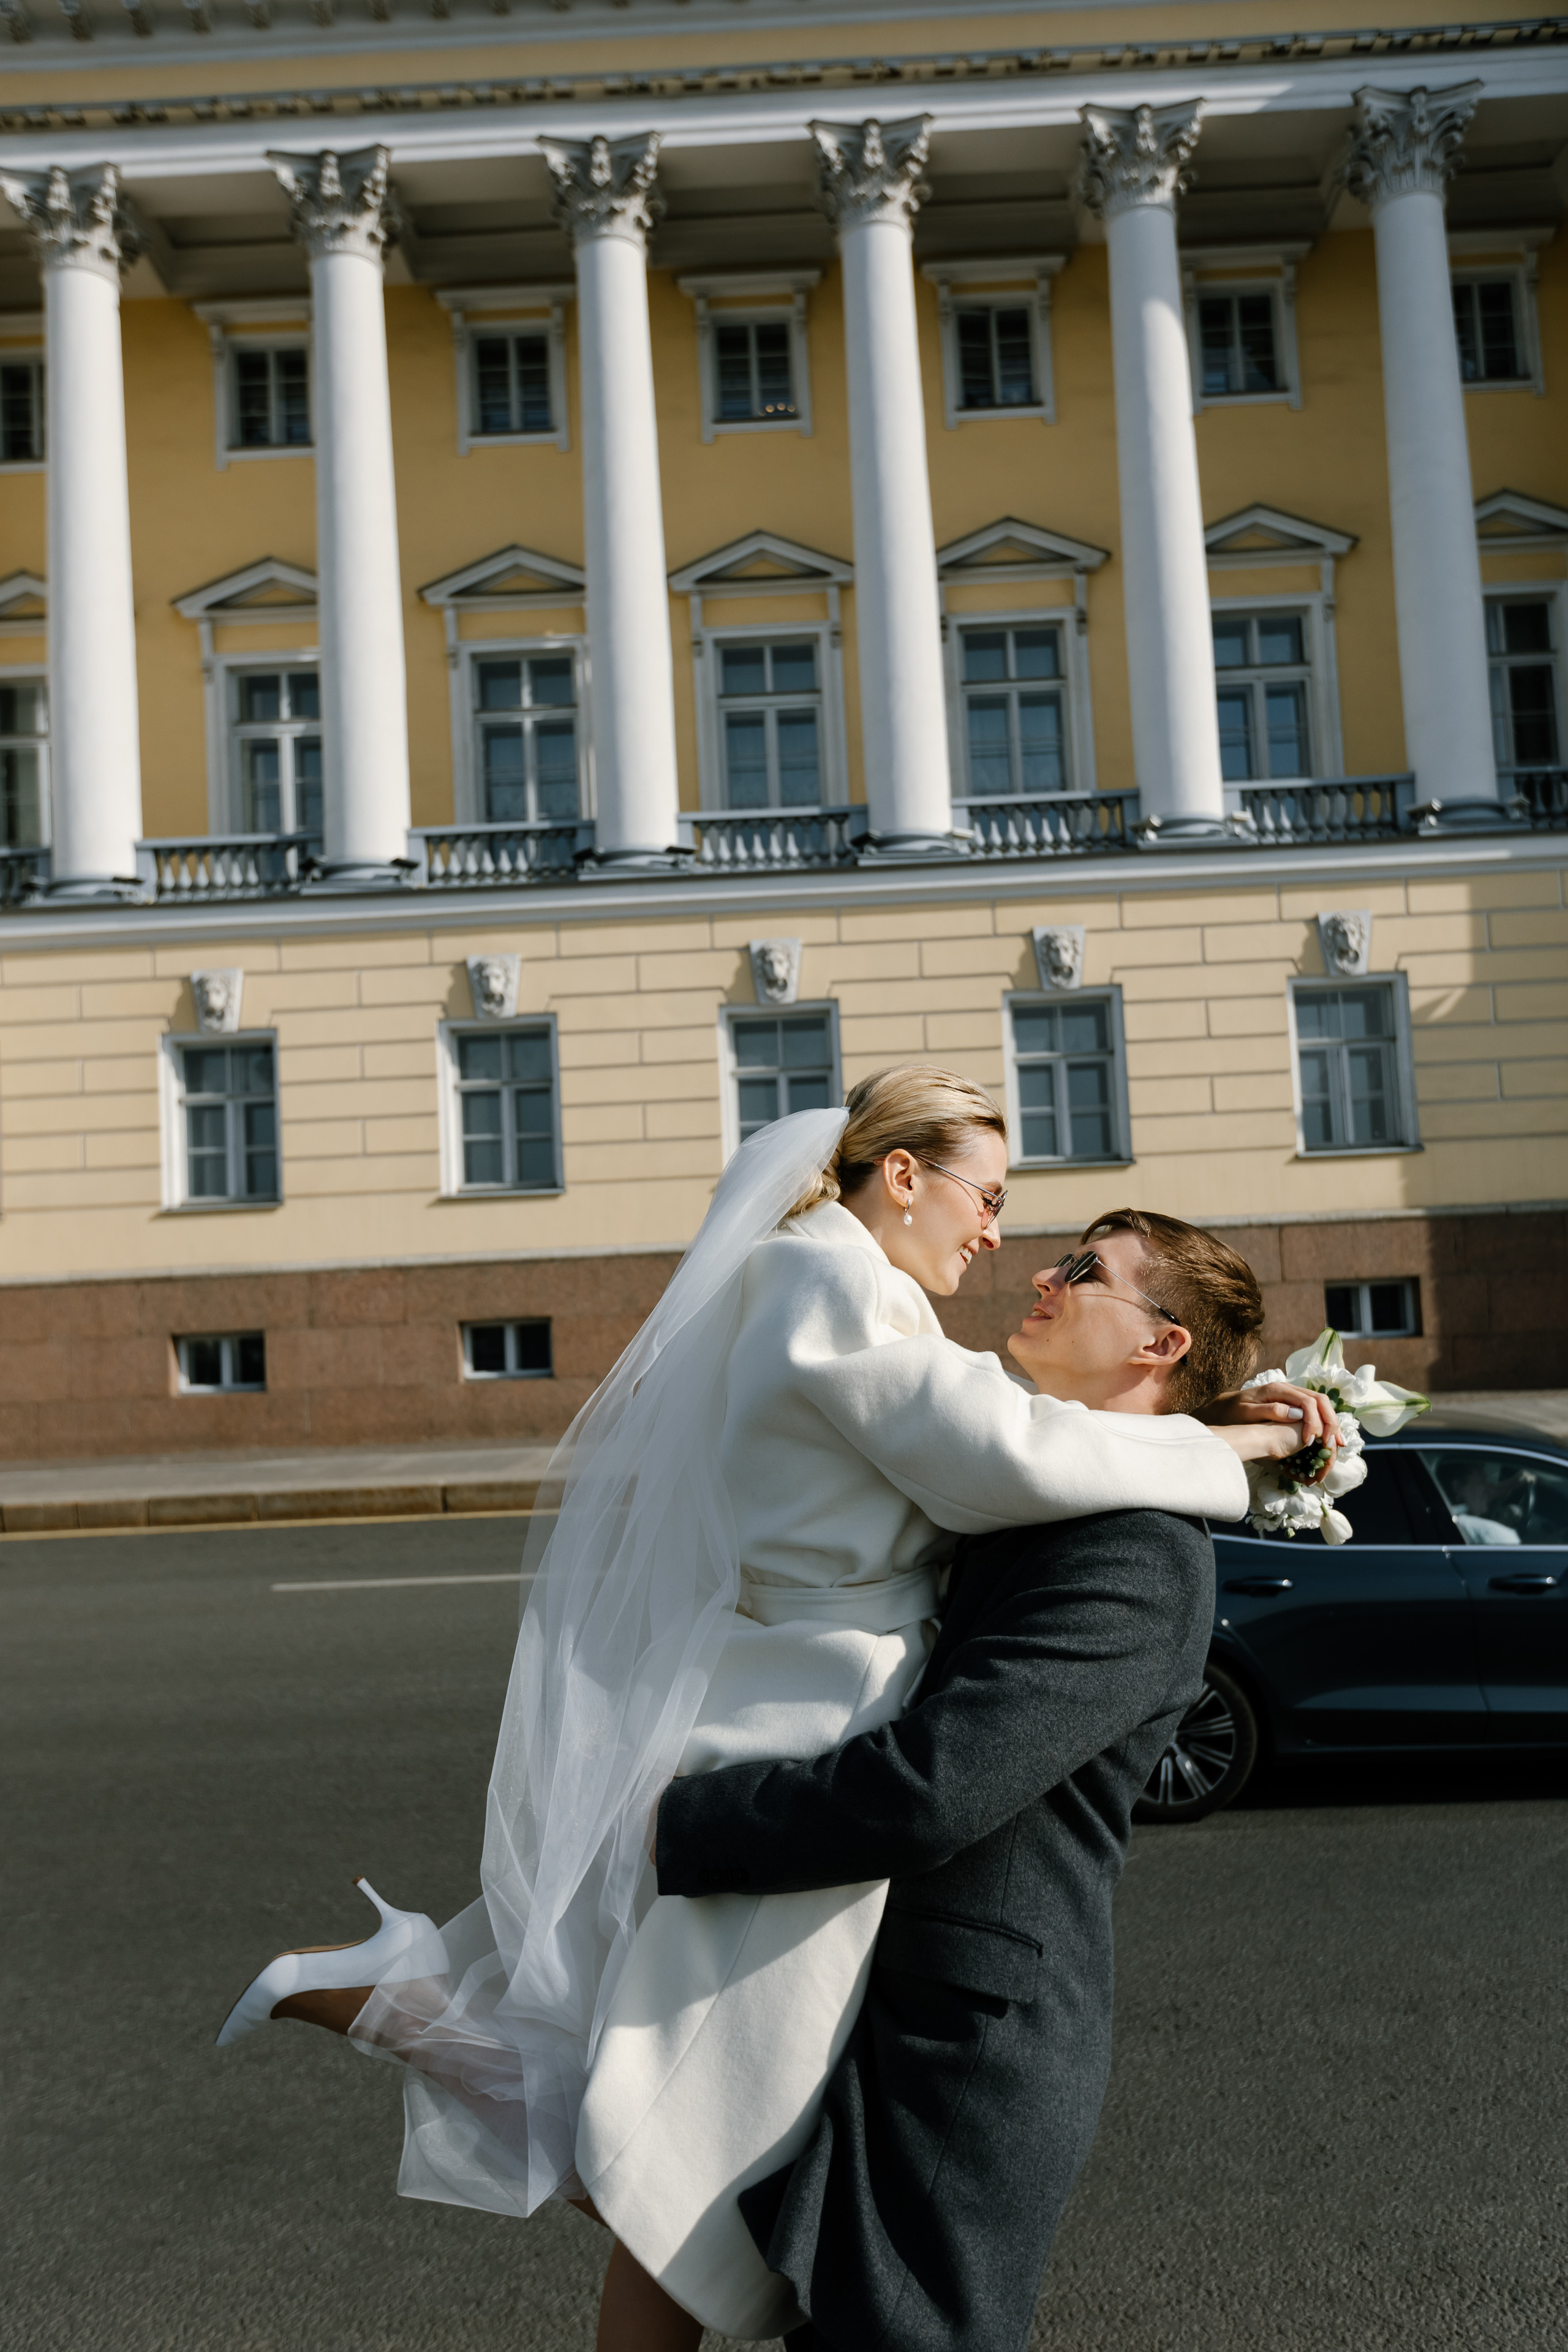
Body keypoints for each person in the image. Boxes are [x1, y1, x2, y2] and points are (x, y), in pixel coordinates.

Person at [215, 1079, 1316, 2350]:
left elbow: (1006, 1434)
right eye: (991, 1200)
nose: (1011, 1248)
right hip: (807, 1711)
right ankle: (408, 2005)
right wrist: (1225, 1451)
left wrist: (1214, 1425)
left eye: (1078, 1265)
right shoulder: (826, 1281)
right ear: (901, 1177)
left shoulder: (870, 1304)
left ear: (1157, 1345)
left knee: (691, 2142)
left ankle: (412, 2003)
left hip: (822, 1750)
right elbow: (1004, 1450)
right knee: (690, 2144)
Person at [652, 1209, 1323, 2352]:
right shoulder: (1048, 1487)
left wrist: (677, 1824)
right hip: (875, 1990)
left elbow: (933, 1789)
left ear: (1159, 1343)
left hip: (967, 2044)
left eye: (1085, 1269)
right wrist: (1223, 1423)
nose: (1042, 1274)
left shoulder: (1140, 1556)